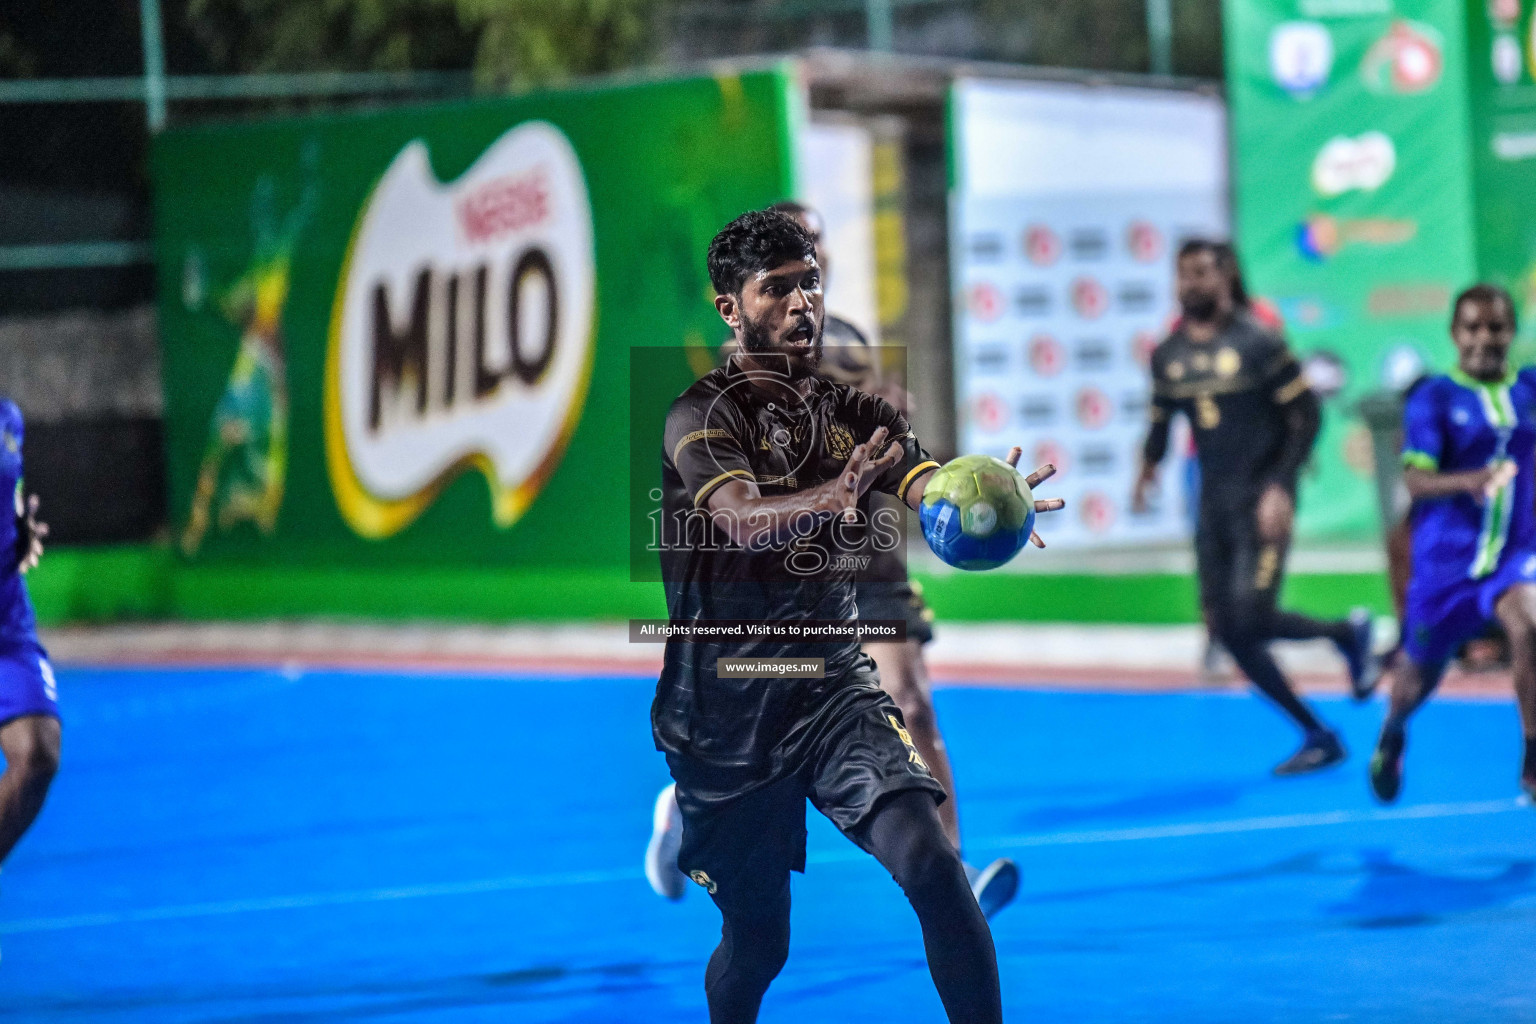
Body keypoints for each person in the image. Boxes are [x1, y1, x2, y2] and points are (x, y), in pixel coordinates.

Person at [652, 209, 1061, 1023]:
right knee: (760, 946)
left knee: (934, 867)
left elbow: (922, 483)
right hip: (727, 703)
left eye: (810, 282)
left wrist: (981, 498)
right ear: (730, 307)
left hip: (832, 686)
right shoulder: (700, 417)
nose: (803, 303)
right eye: (777, 288)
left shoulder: (855, 413)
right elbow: (739, 515)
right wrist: (830, 497)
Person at [1133, 239, 1375, 776]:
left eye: (1202, 273)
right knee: (1230, 630)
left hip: (1262, 504)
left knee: (1252, 617)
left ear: (1225, 278)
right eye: (1183, 274)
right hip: (1212, 510)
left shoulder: (1259, 342)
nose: (1192, 284)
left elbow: (1308, 416)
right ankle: (1319, 727)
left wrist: (1280, 487)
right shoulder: (1167, 354)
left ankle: (1348, 636)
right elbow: (1161, 420)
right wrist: (1146, 468)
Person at [1370, 284, 1536, 803]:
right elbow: (1415, 482)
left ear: (1512, 332)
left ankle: (1532, 754)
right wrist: (1471, 480)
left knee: (1529, 626)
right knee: (1417, 680)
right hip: (1447, 569)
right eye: (1473, 328)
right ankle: (1393, 732)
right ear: (1454, 334)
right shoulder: (1435, 398)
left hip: (1513, 558)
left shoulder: (1530, 389)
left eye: (1496, 327)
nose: (1485, 338)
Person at [0, 398, 58, 871]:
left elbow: (10, 498)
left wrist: (21, 530)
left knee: (39, 751)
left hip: (6, 615)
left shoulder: (8, 419)